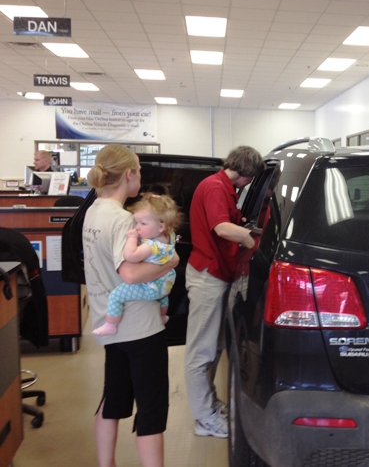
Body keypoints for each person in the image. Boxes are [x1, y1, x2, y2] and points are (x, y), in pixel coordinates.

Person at [83, 144, 178, 467]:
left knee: (113, 400)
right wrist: (171, 262)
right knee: (151, 408)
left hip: (109, 324)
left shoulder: (93, 212)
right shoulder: (124, 221)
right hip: (139, 327)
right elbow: (131, 272)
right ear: (129, 174)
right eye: (138, 170)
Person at [184, 145, 265, 438]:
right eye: (250, 179)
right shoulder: (216, 187)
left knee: (213, 346)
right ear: (245, 173)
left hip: (216, 274)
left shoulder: (224, 187)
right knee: (200, 351)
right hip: (208, 275)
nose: (248, 184)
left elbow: (227, 221)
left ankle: (209, 406)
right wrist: (255, 243)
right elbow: (221, 228)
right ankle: (204, 419)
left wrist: (243, 225)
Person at [92, 192, 182, 337]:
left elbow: (131, 256)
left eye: (143, 223)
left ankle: (111, 325)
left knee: (116, 296)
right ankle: (162, 316)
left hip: (149, 287)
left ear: (160, 226)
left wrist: (132, 238)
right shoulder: (169, 235)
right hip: (166, 283)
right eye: (137, 222)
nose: (138, 227)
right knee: (163, 297)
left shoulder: (151, 246)